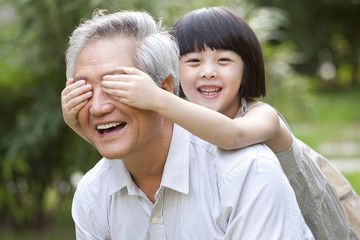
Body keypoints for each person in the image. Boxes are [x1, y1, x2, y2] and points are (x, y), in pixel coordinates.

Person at [62, 7, 360, 239]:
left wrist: (154, 98)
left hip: (321, 221)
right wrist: (80, 122)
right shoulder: (95, 193)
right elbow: (138, 144)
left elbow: (230, 136)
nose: (207, 72)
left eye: (117, 85)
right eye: (193, 62)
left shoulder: (258, 128)